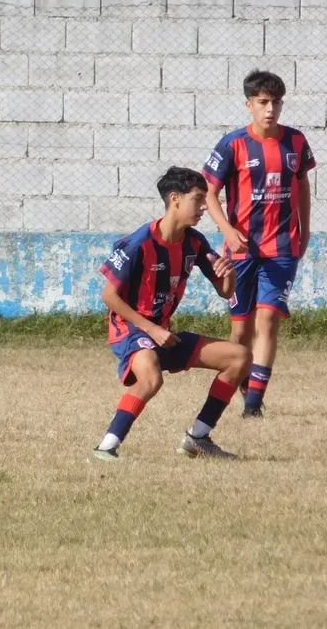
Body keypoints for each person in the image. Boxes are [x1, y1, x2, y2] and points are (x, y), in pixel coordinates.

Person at [92, 166, 251, 462]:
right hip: (131, 331)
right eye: (199, 199)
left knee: (239, 357)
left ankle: (198, 438)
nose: (205, 206)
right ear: (175, 199)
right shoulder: (139, 242)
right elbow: (108, 296)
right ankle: (106, 447)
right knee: (151, 378)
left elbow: (225, 292)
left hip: (163, 334)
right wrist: (151, 330)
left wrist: (228, 274)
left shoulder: (195, 241)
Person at [201, 70, 315, 418]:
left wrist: (304, 230)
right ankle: (245, 386)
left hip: (281, 249)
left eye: (276, 102)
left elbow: (303, 187)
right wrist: (226, 228)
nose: (270, 109)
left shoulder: (295, 142)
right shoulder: (232, 144)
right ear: (249, 104)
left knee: (268, 322)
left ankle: (253, 405)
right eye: (263, 102)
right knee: (241, 329)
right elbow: (208, 191)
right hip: (241, 251)